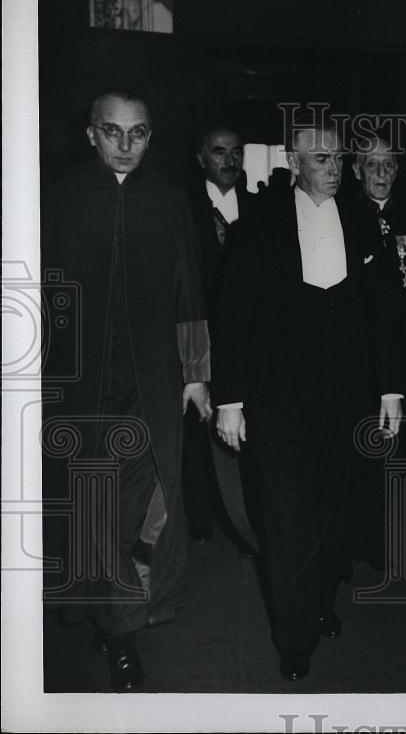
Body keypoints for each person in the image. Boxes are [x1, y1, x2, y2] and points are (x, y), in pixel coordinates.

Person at [212, 117, 405, 681]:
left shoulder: (364, 221)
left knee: (333, 508)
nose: (334, 168)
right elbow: (233, 315)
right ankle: (293, 637)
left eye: (339, 159)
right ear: (293, 164)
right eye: (320, 159)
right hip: (278, 400)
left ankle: (320, 602)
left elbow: (385, 314)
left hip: (347, 398)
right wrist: (230, 399)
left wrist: (391, 388)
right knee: (286, 514)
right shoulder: (260, 222)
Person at [42, 89, 210, 690]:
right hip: (80, 387)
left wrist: (195, 375)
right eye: (112, 132)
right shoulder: (58, 199)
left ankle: (120, 609)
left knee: (151, 501)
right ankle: (120, 635)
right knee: (91, 504)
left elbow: (190, 293)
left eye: (138, 134)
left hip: (152, 386)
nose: (125, 146)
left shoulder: (168, 203)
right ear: (91, 134)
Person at [349, 134, 406, 569]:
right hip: (360, 355)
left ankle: (399, 544)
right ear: (356, 171)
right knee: (363, 448)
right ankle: (361, 542)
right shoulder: (342, 218)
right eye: (371, 164)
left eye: (388, 165)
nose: (381, 173)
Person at [182, 121, 259, 548]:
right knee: (198, 428)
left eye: (236, 151)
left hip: (245, 337)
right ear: (200, 159)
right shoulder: (184, 208)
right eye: (218, 152)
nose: (229, 161)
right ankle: (201, 522)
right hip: (198, 333)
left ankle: (246, 520)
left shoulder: (261, 206)